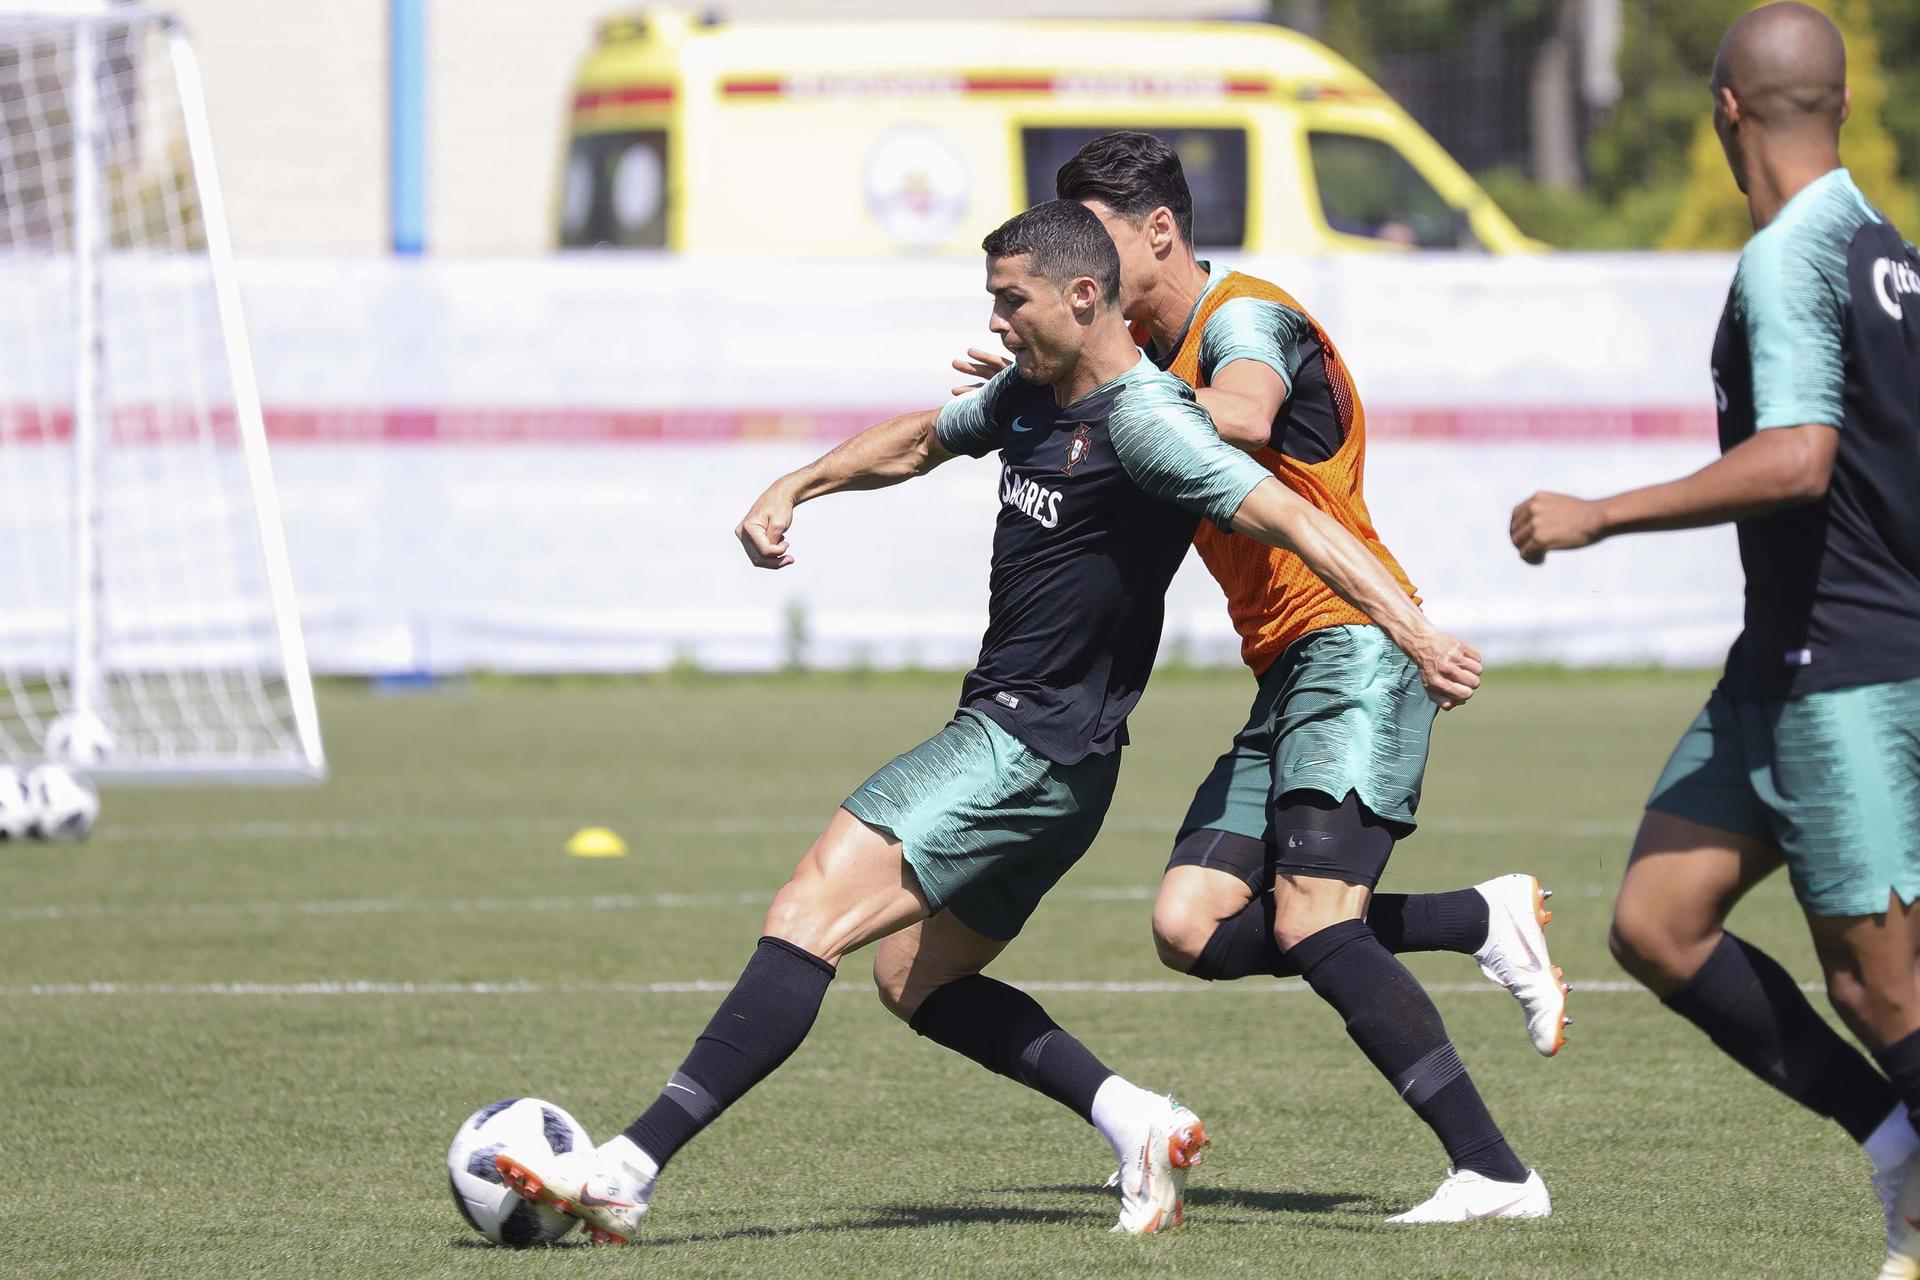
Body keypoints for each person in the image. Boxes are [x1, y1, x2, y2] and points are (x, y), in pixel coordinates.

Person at [494, 199, 1483, 1245]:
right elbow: (922, 438)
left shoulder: (1148, 420)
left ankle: (627, 1167)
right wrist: (800, 482)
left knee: (808, 906)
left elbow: (1289, 513)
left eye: (1012, 300)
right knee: (912, 976)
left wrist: (1413, 631)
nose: (999, 320)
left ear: (1082, 294)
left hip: (1025, 744)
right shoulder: (1029, 394)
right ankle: (1134, 1119)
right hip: (1055, 760)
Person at [956, 131, 1557, 1222]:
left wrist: (1091, 395)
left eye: (1091, 237)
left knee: (1317, 918)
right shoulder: (1126, 349)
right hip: (1283, 668)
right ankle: (1479, 916)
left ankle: (1495, 1171)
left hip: (1355, 640)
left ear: (1158, 232)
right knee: (1191, 924)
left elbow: (1241, 414)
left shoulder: (1245, 316)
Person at [1509, 4, 1920, 1271]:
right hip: (1783, 660)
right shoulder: (1886, 248)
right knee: (1657, 920)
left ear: (1725, 112)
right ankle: (1893, 1138)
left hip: (1839, 669)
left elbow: (1800, 459)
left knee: (1882, 989)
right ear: (1843, 107)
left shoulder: (1791, 255)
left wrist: (1600, 515)